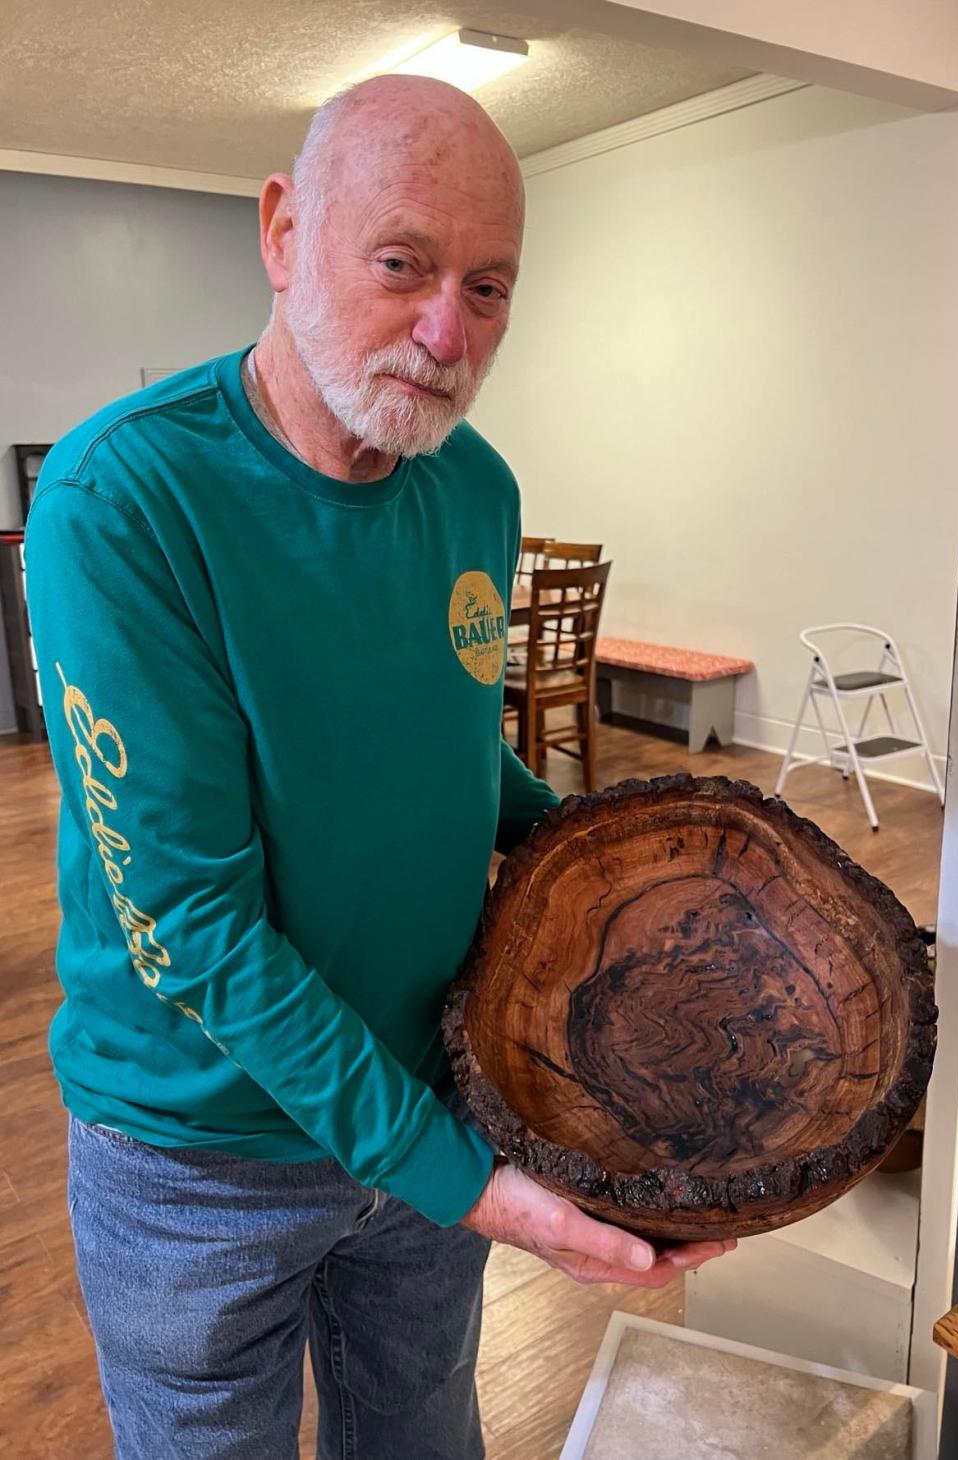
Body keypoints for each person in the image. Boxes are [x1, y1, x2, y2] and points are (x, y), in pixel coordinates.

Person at [25, 75, 734, 1459]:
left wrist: (619, 857)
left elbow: (457, 756)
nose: (445, 332)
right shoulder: (124, 499)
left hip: (424, 1096)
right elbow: (197, 932)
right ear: (285, 234)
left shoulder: (474, 488)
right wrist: (474, 1186)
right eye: (403, 264)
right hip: (197, 1160)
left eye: (490, 289)